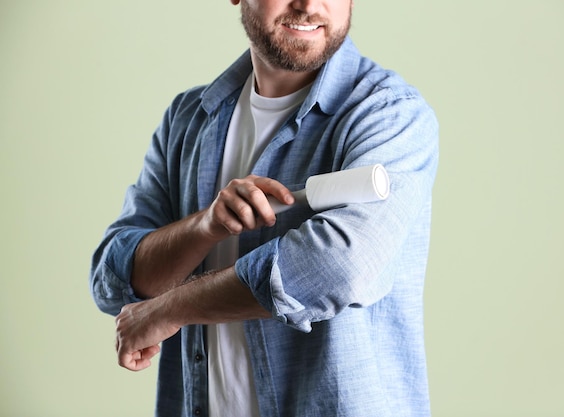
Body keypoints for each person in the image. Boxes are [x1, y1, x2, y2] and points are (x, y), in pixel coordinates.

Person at [89, 0, 439, 416]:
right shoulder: (187, 121)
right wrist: (204, 227)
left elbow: (337, 268)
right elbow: (115, 279)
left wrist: (170, 308)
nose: (308, 6)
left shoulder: (388, 114)